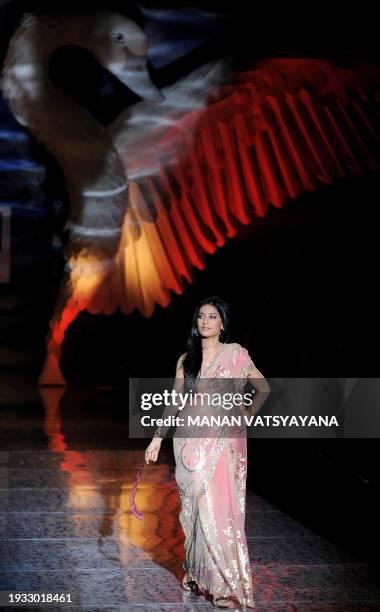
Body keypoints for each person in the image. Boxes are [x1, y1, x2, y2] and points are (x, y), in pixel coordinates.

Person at [145, 296, 270, 608]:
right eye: (201, 316)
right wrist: (157, 439)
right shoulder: (186, 359)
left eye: (212, 317)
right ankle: (198, 575)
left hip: (222, 444)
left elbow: (264, 388)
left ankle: (225, 585)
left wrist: (245, 416)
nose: (205, 322)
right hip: (188, 442)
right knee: (194, 510)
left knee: (217, 509)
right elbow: (175, 402)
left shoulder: (236, 354)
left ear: (222, 323)